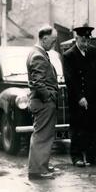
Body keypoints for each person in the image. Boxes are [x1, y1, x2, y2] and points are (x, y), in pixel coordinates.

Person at [63, 26, 96, 167]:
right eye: (83, 40)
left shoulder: (93, 51)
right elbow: (70, 79)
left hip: (94, 97)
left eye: (88, 40)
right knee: (78, 128)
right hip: (78, 98)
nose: (86, 44)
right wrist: (80, 97)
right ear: (76, 39)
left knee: (94, 127)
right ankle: (77, 157)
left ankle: (93, 156)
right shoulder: (69, 55)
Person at [26, 25, 59, 180]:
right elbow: (38, 82)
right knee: (42, 136)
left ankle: (40, 165)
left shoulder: (37, 53)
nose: (53, 44)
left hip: (41, 102)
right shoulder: (38, 55)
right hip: (43, 102)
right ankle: (38, 170)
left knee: (42, 135)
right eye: (52, 41)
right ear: (44, 38)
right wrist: (49, 97)